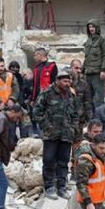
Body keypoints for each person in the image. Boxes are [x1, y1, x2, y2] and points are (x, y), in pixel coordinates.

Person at [34, 70, 78, 200]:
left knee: (63, 161)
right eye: (64, 81)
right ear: (57, 81)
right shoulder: (47, 93)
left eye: (69, 81)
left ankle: (61, 187)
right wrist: (47, 126)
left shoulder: (71, 95)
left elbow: (76, 113)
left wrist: (73, 128)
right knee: (49, 161)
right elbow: (37, 112)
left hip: (66, 135)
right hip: (51, 135)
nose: (67, 84)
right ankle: (49, 187)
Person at [75, 134, 105, 209]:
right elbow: (81, 183)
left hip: (100, 198)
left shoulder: (102, 156)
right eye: (101, 148)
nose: (104, 151)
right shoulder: (86, 161)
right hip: (90, 201)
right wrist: (88, 203)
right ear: (93, 145)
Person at [83, 19, 105, 108]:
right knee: (88, 97)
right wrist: (82, 70)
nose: (91, 29)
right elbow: (87, 57)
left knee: (98, 97)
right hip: (88, 73)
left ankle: (99, 114)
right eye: (89, 27)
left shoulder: (102, 39)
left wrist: (104, 70)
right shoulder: (88, 40)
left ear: (97, 27)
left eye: (93, 27)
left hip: (97, 73)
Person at [69, 60, 94, 131]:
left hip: (79, 121)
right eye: (76, 68)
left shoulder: (84, 84)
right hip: (65, 120)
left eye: (80, 68)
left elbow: (88, 103)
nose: (79, 71)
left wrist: (89, 120)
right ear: (71, 68)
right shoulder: (63, 82)